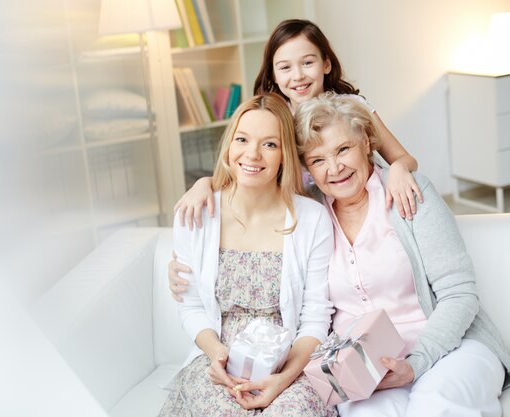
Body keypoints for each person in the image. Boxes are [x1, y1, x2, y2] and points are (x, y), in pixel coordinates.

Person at [175, 92, 510, 416]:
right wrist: (204, 183)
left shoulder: (408, 192)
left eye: (344, 149)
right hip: (365, 366)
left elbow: (459, 293)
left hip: (449, 347)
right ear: (306, 167)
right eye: (318, 160)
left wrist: (416, 363)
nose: (334, 168)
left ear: (366, 143)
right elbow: (252, 184)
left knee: (435, 406)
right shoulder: (313, 215)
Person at [158, 93, 338, 417]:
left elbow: (315, 318)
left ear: (285, 154)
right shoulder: (196, 213)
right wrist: (216, 355)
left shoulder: (312, 219)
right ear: (229, 145)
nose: (252, 154)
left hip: (289, 365)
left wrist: (282, 379)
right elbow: (191, 305)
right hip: (218, 365)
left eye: (270, 144)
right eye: (242, 139)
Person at [176, 19, 422, 228]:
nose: (298, 76)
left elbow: (404, 158)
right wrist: (203, 184)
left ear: (326, 64)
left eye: (307, 63)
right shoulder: (275, 118)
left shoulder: (352, 107)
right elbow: (246, 171)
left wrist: (398, 170)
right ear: (273, 74)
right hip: (305, 223)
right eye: (285, 67)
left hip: (361, 212)